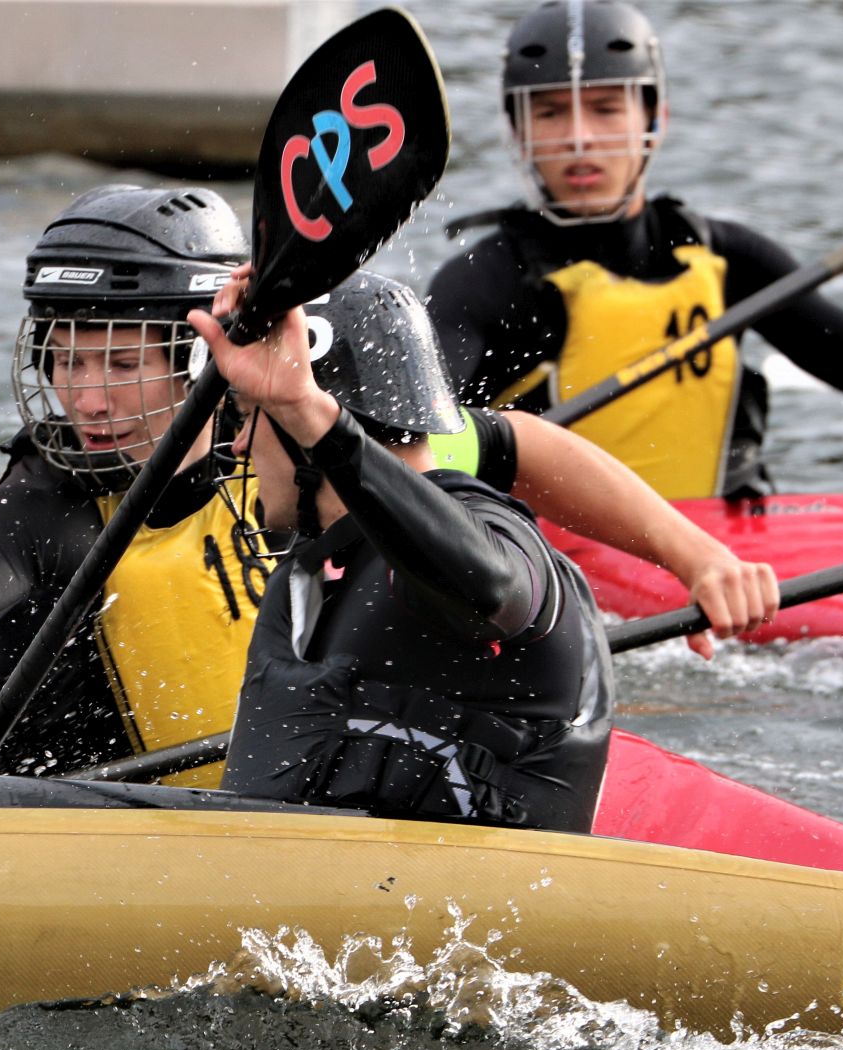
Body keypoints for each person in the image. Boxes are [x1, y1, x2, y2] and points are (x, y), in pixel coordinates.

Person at [0, 185, 769, 796]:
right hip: (92, 815)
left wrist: (695, 555)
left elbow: (518, 447)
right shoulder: (50, 502)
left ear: (201, 352)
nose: (87, 394)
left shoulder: (310, 434)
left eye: (121, 358)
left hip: (281, 796)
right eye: (68, 356)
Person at [425, 0, 843, 501]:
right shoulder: (480, 284)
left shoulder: (726, 260)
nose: (580, 138)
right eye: (550, 113)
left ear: (654, 120)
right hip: (551, 555)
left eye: (606, 108)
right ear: (518, 133)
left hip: (721, 544)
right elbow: (414, 447)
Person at [195, 268, 611, 832]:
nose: (239, 444)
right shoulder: (316, 573)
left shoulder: (496, 540)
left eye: (248, 417)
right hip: (296, 877)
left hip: (476, 885)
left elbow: (493, 593)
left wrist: (309, 413)